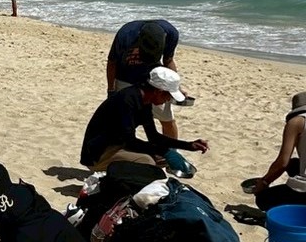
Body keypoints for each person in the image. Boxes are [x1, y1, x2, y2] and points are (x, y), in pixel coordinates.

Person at [80, 66, 209, 171]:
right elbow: (130, 141)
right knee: (147, 161)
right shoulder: (127, 100)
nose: (168, 100)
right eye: (168, 96)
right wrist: (164, 151)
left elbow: (153, 136)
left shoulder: (145, 101)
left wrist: (189, 145)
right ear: (158, 91)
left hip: (118, 146)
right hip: (98, 154)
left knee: (160, 159)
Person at [106, 19, 183, 139]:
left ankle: (171, 152)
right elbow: (112, 62)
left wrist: (175, 88)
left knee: (166, 119)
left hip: (155, 81)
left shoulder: (171, 33)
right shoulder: (126, 34)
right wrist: (111, 90)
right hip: (125, 78)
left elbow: (168, 60)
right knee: (124, 120)